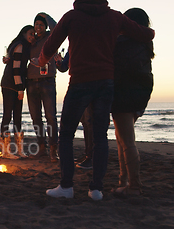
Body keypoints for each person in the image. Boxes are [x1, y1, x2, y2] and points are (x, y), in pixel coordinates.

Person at [33, 0, 155, 201]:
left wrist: (42, 61)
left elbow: (51, 44)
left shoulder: (72, 17)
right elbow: (148, 34)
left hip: (80, 81)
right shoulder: (115, 17)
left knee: (66, 135)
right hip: (105, 83)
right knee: (100, 137)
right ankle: (96, 190)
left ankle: (66, 186)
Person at [111, 8, 154, 196]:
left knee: (126, 141)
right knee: (123, 140)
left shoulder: (123, 44)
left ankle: (133, 186)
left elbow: (118, 70)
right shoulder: (144, 44)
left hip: (123, 96)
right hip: (139, 97)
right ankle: (124, 182)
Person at [26, 13, 59, 162]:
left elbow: (57, 29)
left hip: (47, 81)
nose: (38, 27)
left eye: (41, 25)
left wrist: (46, 16)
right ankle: (42, 148)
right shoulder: (31, 40)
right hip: (31, 81)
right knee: (36, 117)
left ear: (45, 27)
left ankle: (53, 150)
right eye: (36, 25)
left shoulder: (49, 38)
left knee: (50, 117)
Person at [0, 25, 35, 159]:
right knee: (8, 116)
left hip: (14, 83)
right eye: (30, 34)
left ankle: (19, 150)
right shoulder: (20, 45)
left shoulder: (22, 45)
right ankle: (6, 151)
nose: (32, 37)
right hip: (10, 84)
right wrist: (20, 88)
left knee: (18, 116)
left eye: (34, 35)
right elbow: (16, 68)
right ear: (24, 33)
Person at [55, 51, 94, 169]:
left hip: (92, 83)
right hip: (77, 84)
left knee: (89, 121)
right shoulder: (73, 47)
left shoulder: (92, 42)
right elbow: (64, 67)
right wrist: (58, 61)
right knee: (84, 121)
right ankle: (88, 154)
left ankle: (91, 157)